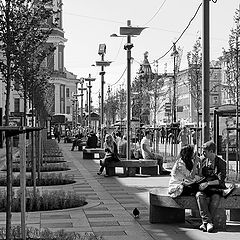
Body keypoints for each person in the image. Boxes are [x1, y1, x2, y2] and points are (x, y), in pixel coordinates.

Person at [196, 140, 235, 233]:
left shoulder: (221, 162)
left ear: (211, 151)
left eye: (205, 151)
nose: (202, 153)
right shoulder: (203, 160)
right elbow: (200, 176)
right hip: (205, 188)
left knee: (216, 197)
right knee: (199, 195)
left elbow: (220, 180)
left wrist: (208, 183)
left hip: (217, 187)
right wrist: (199, 166)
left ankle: (205, 222)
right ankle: (208, 222)